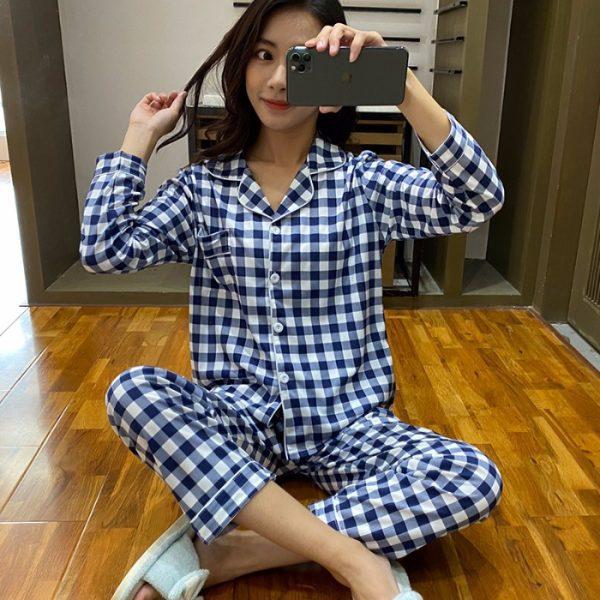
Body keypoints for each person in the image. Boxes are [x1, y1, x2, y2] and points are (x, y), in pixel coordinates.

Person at [80, 1, 505, 599]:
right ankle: (348, 557)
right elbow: (105, 249)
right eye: (263, 55)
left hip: (347, 423)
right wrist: (139, 137)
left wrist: (401, 86)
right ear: (241, 66)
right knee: (133, 392)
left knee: (470, 476)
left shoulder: (363, 182)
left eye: (302, 60)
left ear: (334, 83)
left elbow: (478, 199)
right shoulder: (204, 188)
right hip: (241, 420)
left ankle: (237, 550)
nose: (279, 79)